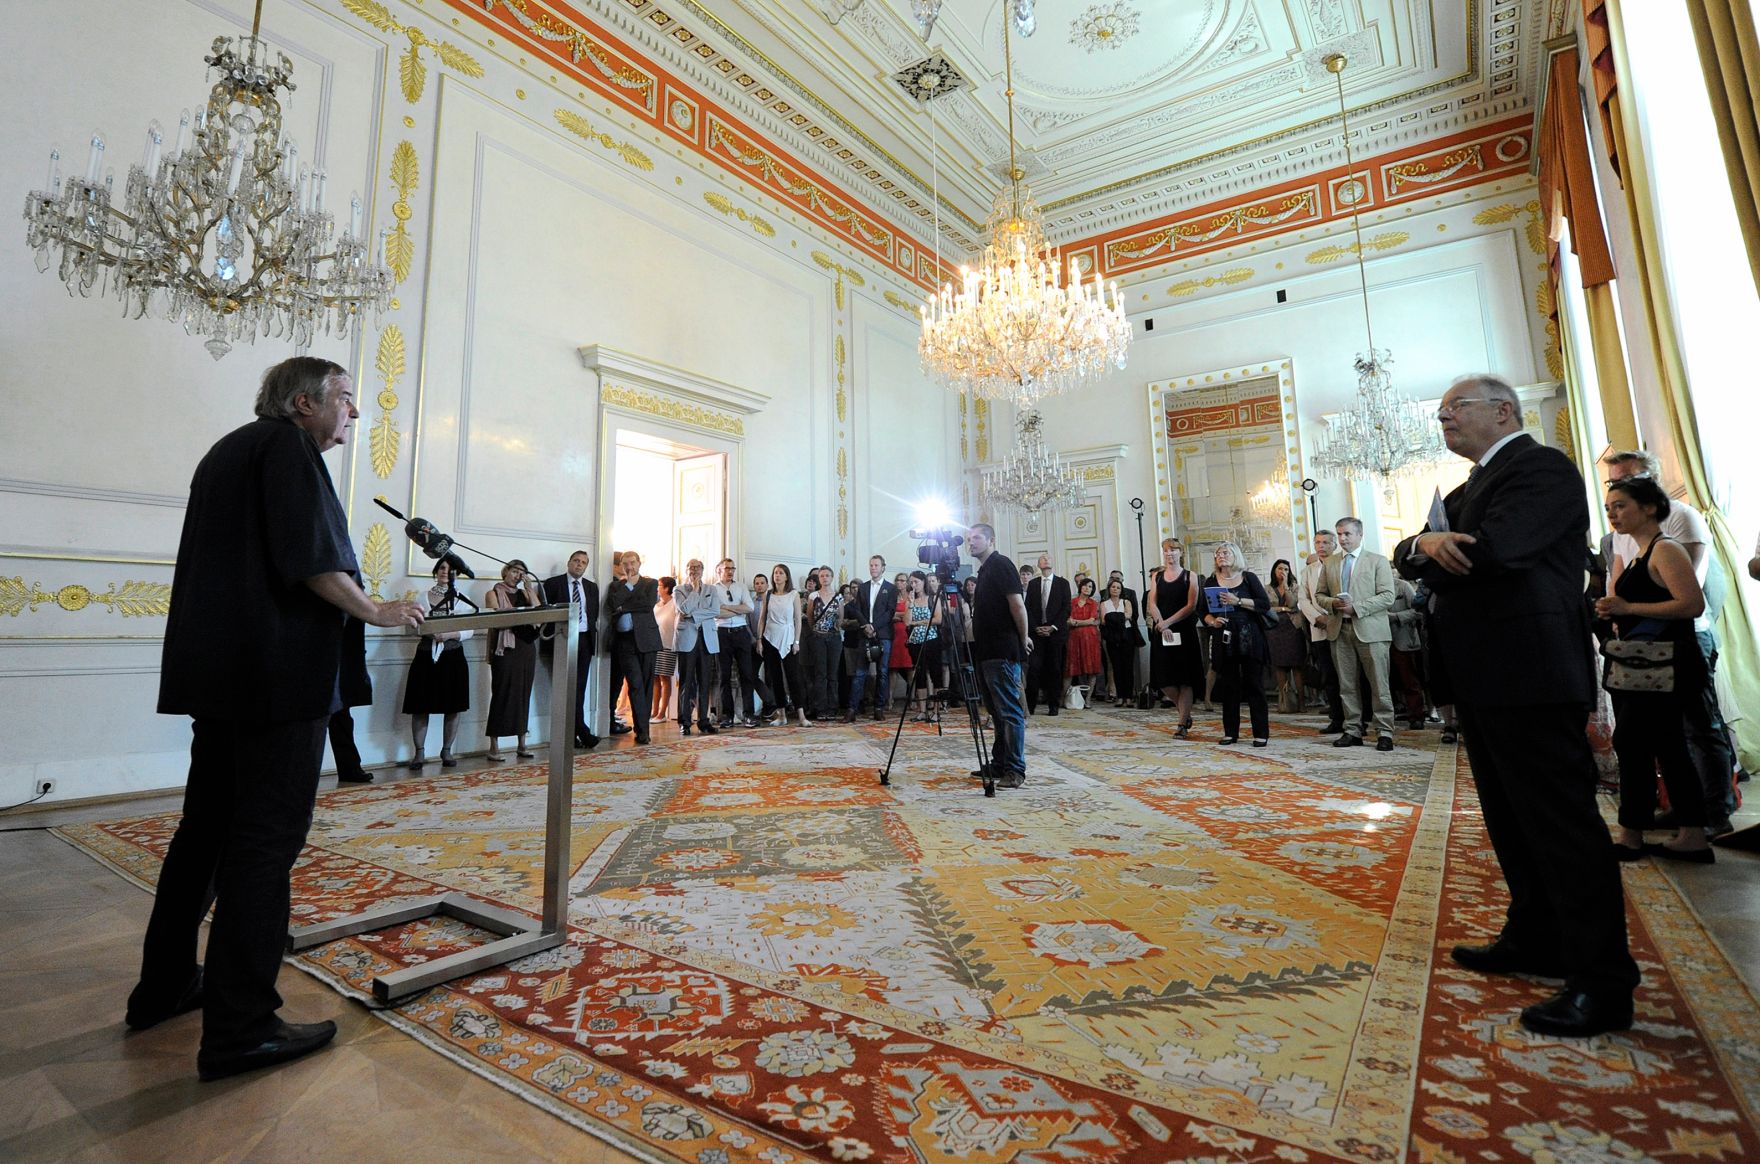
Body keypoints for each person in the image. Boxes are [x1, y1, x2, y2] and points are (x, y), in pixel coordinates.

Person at [130, 356, 425, 1081]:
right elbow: (314, 563)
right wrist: (379, 610)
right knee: (264, 844)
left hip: (223, 677)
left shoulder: (228, 449)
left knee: (204, 834)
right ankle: (241, 1026)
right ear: (304, 404)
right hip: (278, 679)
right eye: (345, 400)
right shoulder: (289, 450)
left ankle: (164, 987)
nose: (353, 415)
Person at [1395, 372, 1637, 1038]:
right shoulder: (1465, 488)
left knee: (1561, 826)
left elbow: (1490, 555)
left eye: (1454, 410)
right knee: (1511, 820)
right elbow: (1409, 549)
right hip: (1484, 676)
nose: (1443, 422)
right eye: (1440, 413)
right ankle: (1536, 935)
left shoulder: (1542, 470)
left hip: (1530, 670)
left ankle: (1603, 981)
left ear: (1503, 410)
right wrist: (1421, 545)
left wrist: (1428, 553)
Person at [1603, 449, 1736, 838]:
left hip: (1677, 646)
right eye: (1611, 489)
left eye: (1624, 489)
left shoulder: (1675, 528)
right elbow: (1619, 583)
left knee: (1697, 729)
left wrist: (1629, 607)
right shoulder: (1626, 540)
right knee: (1664, 740)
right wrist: (1615, 609)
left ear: (1648, 498)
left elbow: (1689, 598)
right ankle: (1686, 819)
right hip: (1644, 653)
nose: (1614, 505)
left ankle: (1712, 814)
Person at [1315, 517, 1398, 751]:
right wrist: (1333, 603)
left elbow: (1387, 596)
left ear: (1360, 535)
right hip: (1339, 630)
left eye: (1347, 534)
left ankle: (1384, 731)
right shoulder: (1330, 563)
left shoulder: (1377, 561)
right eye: (1339, 534)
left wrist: (1357, 608)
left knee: (1379, 684)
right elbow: (1319, 594)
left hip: (1371, 630)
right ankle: (1352, 730)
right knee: (1347, 684)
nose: (1342, 538)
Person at [966, 524, 1030, 788]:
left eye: (977, 538)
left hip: (1002, 650)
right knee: (996, 710)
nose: (971, 542)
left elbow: (1017, 604)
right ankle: (1000, 763)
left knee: (1009, 711)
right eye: (969, 539)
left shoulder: (1001, 564)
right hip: (986, 651)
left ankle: (1015, 769)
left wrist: (1023, 636)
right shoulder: (984, 569)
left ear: (991, 539)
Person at [1200, 542, 1273, 746]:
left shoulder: (1248, 578)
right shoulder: (1211, 580)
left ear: (1235, 555)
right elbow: (1201, 610)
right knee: (1229, 686)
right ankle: (1230, 732)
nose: (1220, 556)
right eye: (1217, 554)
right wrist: (1212, 621)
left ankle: (1261, 733)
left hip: (1250, 636)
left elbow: (1264, 604)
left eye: (1225, 552)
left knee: (1254, 685)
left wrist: (1237, 601)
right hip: (1225, 637)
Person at [404, 559, 471, 769]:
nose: (445, 572)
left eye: (451, 570)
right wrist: (428, 632)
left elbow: (470, 628)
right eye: (442, 568)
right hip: (425, 656)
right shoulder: (421, 597)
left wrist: (450, 634)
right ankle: (419, 754)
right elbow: (412, 625)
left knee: (453, 706)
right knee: (420, 706)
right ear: (436, 571)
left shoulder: (463, 599)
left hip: (453, 657)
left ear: (457, 575)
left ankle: (447, 751)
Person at [484, 560, 544, 762]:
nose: (518, 575)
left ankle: (521, 743)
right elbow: (497, 618)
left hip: (525, 647)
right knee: (502, 693)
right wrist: (521, 618)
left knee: (523, 693)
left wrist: (530, 590)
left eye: (522, 573)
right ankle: (494, 746)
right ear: (506, 571)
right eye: (515, 571)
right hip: (506, 647)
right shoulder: (493, 592)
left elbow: (539, 612)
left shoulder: (524, 594)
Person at [541, 550, 599, 749]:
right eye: (576, 561)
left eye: (583, 562)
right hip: (562, 639)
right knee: (565, 688)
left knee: (579, 688)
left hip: (584, 640)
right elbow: (547, 613)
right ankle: (580, 731)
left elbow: (593, 615)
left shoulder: (591, 588)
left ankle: (574, 732)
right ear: (569, 563)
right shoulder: (553, 584)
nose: (579, 565)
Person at [1144, 537, 1202, 736]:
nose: (1169, 554)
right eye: (1166, 550)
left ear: (1181, 553)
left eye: (1173, 550)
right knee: (1164, 680)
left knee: (1185, 679)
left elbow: (1191, 606)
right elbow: (1152, 602)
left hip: (1184, 631)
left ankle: (1181, 724)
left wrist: (1169, 622)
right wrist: (1161, 624)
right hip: (1163, 631)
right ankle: (1185, 714)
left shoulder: (1190, 576)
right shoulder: (1157, 577)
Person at [604, 550, 661, 745]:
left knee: (645, 685)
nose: (629, 567)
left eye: (632, 563)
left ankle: (643, 729)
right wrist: (628, 587)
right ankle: (642, 730)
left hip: (647, 639)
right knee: (635, 684)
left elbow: (647, 604)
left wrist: (624, 606)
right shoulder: (615, 586)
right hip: (624, 642)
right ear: (621, 566)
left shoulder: (650, 583)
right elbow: (613, 603)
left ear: (639, 563)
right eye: (625, 563)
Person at [713, 558, 771, 727]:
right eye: (726, 568)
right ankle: (727, 715)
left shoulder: (741, 587)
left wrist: (728, 608)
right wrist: (737, 608)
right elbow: (715, 612)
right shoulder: (713, 589)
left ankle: (749, 714)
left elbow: (750, 608)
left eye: (732, 568)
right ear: (719, 571)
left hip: (741, 633)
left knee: (747, 674)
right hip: (721, 633)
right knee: (723, 676)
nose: (730, 571)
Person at [1297, 530, 1345, 731]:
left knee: (1348, 675)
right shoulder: (1309, 570)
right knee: (1329, 675)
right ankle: (1336, 719)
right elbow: (1303, 598)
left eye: (1326, 542)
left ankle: (1359, 717)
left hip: (1343, 625)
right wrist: (1318, 618)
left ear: (1335, 545)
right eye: (1318, 542)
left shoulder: (1343, 564)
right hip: (1320, 628)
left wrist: (1333, 616)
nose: (1321, 546)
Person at [672, 559, 721, 736]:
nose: (694, 570)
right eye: (691, 568)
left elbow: (715, 610)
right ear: (686, 570)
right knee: (686, 682)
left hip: (707, 638)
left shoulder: (711, 589)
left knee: (705, 681)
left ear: (703, 570)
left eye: (697, 567)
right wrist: (693, 590)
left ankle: (703, 720)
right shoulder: (678, 589)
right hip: (687, 638)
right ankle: (684, 721)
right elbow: (683, 609)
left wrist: (693, 616)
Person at [847, 555, 897, 721]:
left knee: (882, 672)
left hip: (883, 635)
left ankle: (878, 708)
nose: (873, 568)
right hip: (865, 634)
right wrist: (866, 626)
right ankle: (852, 709)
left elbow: (889, 612)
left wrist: (874, 627)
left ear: (883, 567)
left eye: (876, 565)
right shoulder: (863, 587)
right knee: (860, 673)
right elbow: (857, 610)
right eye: (871, 565)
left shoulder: (891, 588)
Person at [759, 563, 810, 727]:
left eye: (781, 573)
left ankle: (801, 715)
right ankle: (781, 715)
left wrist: (796, 641)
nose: (777, 575)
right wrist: (759, 639)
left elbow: (797, 620)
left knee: (794, 677)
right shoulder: (768, 595)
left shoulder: (794, 594)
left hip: (788, 638)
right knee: (775, 678)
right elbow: (762, 618)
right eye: (775, 573)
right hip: (770, 637)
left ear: (786, 576)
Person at [1025, 553, 1071, 715]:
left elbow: (1066, 608)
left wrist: (1053, 627)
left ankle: (1053, 705)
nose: (1045, 559)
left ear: (1052, 563)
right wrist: (1035, 627)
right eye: (1042, 558)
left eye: (1048, 558)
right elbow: (1027, 608)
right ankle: (1030, 706)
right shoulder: (1033, 584)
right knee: (1033, 670)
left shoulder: (1063, 583)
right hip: (1036, 634)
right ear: (1038, 564)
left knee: (1054, 670)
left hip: (1055, 634)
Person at [803, 565, 844, 720]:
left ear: (832, 577)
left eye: (827, 575)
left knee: (832, 674)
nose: (824, 578)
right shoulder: (813, 596)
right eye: (822, 576)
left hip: (834, 638)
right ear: (818, 578)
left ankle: (832, 707)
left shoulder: (838, 597)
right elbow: (810, 616)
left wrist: (835, 627)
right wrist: (817, 630)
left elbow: (840, 617)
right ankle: (820, 708)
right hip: (818, 638)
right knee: (820, 674)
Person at [902, 571, 942, 721]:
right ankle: (922, 710)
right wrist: (911, 604)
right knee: (919, 674)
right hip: (915, 641)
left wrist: (918, 622)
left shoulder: (933, 599)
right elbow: (906, 622)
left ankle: (936, 711)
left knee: (935, 674)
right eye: (911, 583)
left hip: (931, 639)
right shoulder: (909, 601)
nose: (913, 585)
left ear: (923, 582)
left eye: (916, 582)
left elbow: (938, 619)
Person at [1099, 578, 1137, 705]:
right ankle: (1120, 696)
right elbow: (1104, 620)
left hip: (1126, 637)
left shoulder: (1126, 602)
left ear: (1121, 590)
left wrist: (1112, 617)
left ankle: (1129, 696)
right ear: (1109, 589)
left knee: (1128, 667)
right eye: (1113, 587)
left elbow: (1129, 615)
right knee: (1117, 667)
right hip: (1112, 638)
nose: (1115, 589)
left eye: (1118, 587)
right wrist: (1120, 617)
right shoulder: (1104, 603)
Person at [1065, 578, 1103, 704]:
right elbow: (1067, 620)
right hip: (1073, 637)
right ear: (1080, 587)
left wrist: (1076, 622)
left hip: (1090, 638)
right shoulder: (1071, 602)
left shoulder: (1093, 603)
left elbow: (1091, 620)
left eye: (1090, 586)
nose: (1087, 588)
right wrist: (1076, 622)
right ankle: (1063, 698)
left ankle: (1088, 699)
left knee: (1092, 668)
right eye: (1085, 585)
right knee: (1070, 668)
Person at [652, 576, 679, 725]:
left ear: (667, 588)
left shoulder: (674, 604)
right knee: (655, 678)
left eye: (659, 586)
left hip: (668, 645)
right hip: (655, 645)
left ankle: (662, 712)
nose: (657, 588)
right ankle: (654, 710)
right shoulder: (656, 605)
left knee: (664, 678)